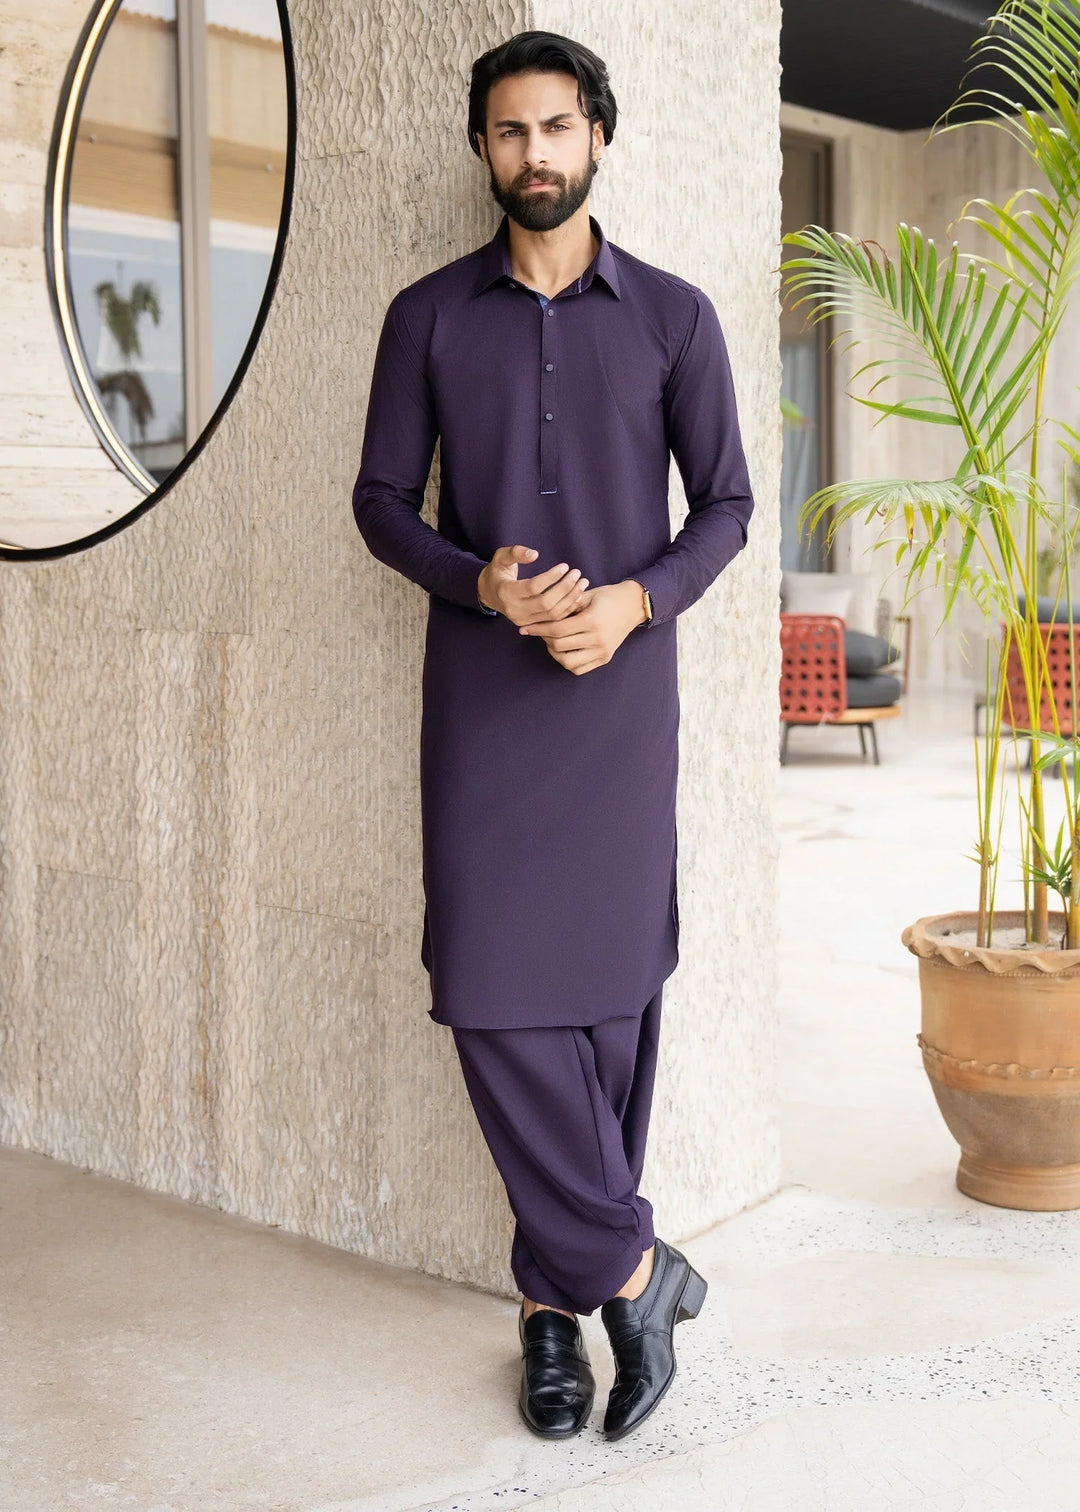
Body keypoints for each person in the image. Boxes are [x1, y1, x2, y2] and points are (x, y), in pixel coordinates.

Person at [351, 30, 755, 1442]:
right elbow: (381, 502)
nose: (536, 153)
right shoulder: (426, 318)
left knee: (610, 1007)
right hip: (484, 706)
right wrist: (483, 584)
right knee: (491, 990)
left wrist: (636, 602)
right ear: (483, 146)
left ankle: (551, 1307)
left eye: (558, 126)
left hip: (619, 705)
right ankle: (636, 1276)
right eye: (512, 130)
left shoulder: (675, 318)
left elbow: (727, 505)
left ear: (598, 136)